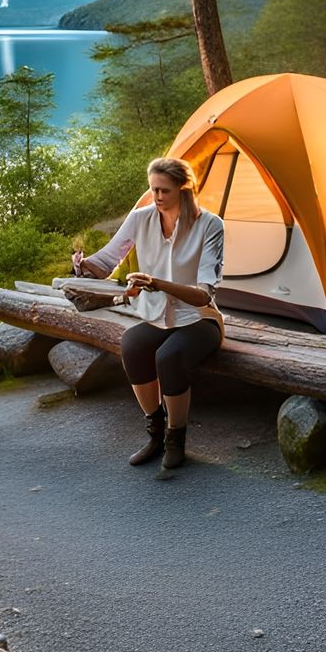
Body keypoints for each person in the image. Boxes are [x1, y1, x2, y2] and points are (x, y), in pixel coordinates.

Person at [70, 157, 225, 471]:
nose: (156, 197)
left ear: (185, 190)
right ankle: (154, 433)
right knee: (132, 345)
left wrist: (156, 282)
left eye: (164, 191)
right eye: (153, 189)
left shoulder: (210, 226)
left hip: (200, 318)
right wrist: (82, 269)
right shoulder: (141, 219)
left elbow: (203, 294)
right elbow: (106, 261)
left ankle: (175, 439)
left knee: (168, 357)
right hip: (156, 315)